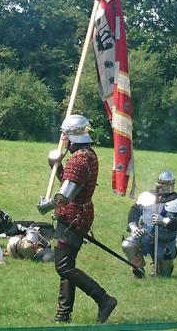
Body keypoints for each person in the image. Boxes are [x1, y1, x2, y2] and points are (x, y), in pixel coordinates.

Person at [37, 114, 118, 323]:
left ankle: (103, 299)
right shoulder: (87, 154)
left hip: (73, 216)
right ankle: (63, 314)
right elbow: (70, 182)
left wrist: (46, 205)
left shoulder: (79, 160)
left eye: (65, 136)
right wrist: (54, 165)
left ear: (72, 137)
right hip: (78, 213)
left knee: (63, 266)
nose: (63, 140)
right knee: (67, 264)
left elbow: (65, 196)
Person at [121, 170, 177, 276]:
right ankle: (138, 267)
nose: (161, 185)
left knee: (162, 275)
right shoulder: (148, 196)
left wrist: (165, 221)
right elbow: (134, 211)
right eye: (160, 182)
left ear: (171, 185)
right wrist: (134, 227)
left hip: (165, 241)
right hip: (145, 235)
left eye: (164, 184)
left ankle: (162, 266)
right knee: (128, 244)